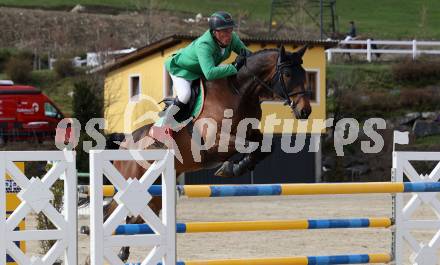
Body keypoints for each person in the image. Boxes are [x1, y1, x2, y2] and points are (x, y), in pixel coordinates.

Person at [161, 11, 250, 124]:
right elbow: (210, 73)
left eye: (230, 30)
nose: (228, 35)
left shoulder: (233, 38)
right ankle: (164, 125)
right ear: (215, 32)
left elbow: (249, 55)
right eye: (224, 31)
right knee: (185, 94)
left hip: (200, 71)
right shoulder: (204, 45)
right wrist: (234, 67)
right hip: (182, 69)